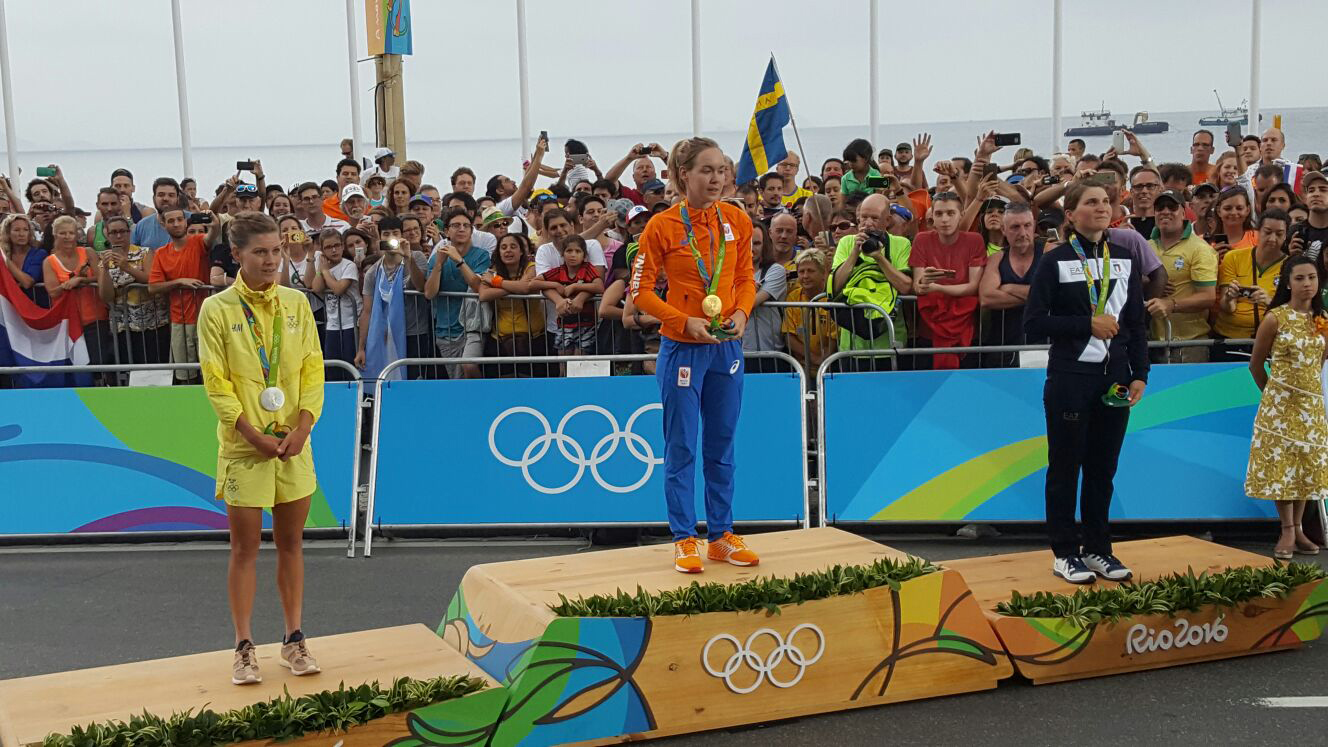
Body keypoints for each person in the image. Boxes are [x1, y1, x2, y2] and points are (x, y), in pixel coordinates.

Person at [197, 211, 324, 686]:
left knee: (292, 545)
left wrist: (304, 427)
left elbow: (313, 369)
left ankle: (294, 639)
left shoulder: (296, 303)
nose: (272, 260)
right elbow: (216, 381)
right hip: (245, 448)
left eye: (277, 250)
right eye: (260, 252)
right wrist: (252, 434)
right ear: (237, 256)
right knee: (245, 549)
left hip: (294, 444)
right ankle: (244, 647)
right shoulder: (218, 309)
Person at [629, 136, 758, 574]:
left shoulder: (736, 221)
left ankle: (721, 535)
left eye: (722, 170)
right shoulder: (661, 226)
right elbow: (640, 294)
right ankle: (684, 538)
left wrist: (742, 311)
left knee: (722, 445)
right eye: (707, 170)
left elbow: (744, 277)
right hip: (683, 348)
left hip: (726, 346)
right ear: (684, 175)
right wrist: (684, 322)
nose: (717, 178)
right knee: (681, 446)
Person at [1025, 182, 1149, 585]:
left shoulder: (1127, 258)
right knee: (1065, 467)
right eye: (1091, 202)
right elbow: (1034, 323)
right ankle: (1064, 551)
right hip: (1069, 379)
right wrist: (1086, 324)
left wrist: (1140, 373)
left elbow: (1136, 323)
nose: (1101, 207)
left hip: (1114, 380)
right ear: (1072, 214)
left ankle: (1098, 548)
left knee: (1103, 468)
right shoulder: (1055, 260)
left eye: (1105, 201)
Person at [1246, 255, 1328, 559]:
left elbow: (1320, 362)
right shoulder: (1275, 318)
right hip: (1279, 406)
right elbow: (1256, 365)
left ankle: (1300, 531)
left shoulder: (1322, 320)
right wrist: (1273, 397)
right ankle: (1287, 531)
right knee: (1282, 467)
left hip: (1311, 407)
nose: (1307, 284)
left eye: (1312, 278)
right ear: (1287, 283)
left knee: (1306, 465)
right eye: (1300, 278)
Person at [827, 193, 912, 365]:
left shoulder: (901, 244)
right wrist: (854, 253)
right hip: (851, 344)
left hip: (890, 342)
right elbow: (834, 287)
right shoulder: (846, 242)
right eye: (863, 217)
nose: (867, 223)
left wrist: (879, 257)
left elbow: (905, 286)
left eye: (874, 218)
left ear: (887, 221)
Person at [910, 192, 985, 369]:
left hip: (966, 328)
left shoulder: (975, 240)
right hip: (929, 329)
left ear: (962, 215)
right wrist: (924, 284)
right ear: (932, 217)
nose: (944, 219)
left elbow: (973, 287)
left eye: (951, 213)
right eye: (939, 214)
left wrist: (936, 287)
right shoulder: (921, 239)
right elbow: (918, 287)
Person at [148, 207, 221, 383]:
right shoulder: (161, 253)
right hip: (178, 319)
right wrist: (179, 282)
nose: (176, 224)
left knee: (210, 371)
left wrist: (215, 224)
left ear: (185, 221)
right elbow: (153, 287)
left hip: (203, 316)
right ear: (163, 224)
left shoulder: (197, 242)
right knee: (185, 375)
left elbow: (211, 235)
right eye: (171, 221)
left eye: (180, 219)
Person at [355, 215, 431, 380]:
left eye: (396, 233)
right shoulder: (373, 272)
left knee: (415, 381)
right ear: (379, 237)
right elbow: (366, 312)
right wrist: (361, 348)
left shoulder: (417, 257)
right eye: (386, 234)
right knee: (387, 382)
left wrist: (408, 258)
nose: (391, 238)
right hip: (384, 336)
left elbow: (420, 286)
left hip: (414, 333)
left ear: (402, 236)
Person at [1145, 190, 1217, 362]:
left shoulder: (1200, 249)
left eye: (1172, 207)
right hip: (1152, 342)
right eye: (1160, 207)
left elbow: (1208, 297)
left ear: (1184, 213)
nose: (1165, 211)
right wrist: (1149, 283)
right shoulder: (1145, 246)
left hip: (1189, 345)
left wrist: (1171, 304)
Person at [1214, 209, 1290, 360]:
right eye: (1267, 232)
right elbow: (1227, 307)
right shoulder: (1233, 257)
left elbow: (1294, 311)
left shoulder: (1290, 265)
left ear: (1286, 235)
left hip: (1271, 340)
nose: (1272, 239)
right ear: (1257, 232)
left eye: (1279, 234)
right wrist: (1229, 298)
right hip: (1229, 339)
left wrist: (1269, 302)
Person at [95, 215, 170, 366]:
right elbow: (106, 296)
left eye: (122, 231)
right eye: (113, 232)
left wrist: (127, 268)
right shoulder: (104, 259)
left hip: (152, 322)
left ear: (129, 233)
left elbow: (152, 281)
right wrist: (104, 269)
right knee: (128, 369)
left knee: (154, 367)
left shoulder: (145, 253)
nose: (118, 236)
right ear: (107, 235)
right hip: (123, 326)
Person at [424, 207, 489, 379]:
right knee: (457, 379)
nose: (461, 229)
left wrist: (459, 260)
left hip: (473, 326)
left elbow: (477, 285)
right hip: (446, 329)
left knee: (469, 366)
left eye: (466, 226)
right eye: (456, 225)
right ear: (446, 231)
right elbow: (429, 293)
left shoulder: (481, 255)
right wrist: (438, 264)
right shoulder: (437, 256)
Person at [43, 216, 114, 373]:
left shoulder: (88, 252)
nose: (68, 237)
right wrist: (70, 283)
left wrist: (81, 280)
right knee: (77, 366)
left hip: (95, 317)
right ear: (55, 235)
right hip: (68, 321)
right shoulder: (49, 261)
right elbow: (52, 291)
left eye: (71, 232)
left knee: (100, 362)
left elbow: (100, 275)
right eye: (63, 233)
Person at [979, 202, 1044, 367]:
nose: (1022, 233)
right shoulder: (997, 259)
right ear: (1003, 230)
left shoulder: (1049, 253)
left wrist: (1009, 288)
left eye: (1027, 225)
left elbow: (1058, 296)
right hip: (1002, 346)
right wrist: (1038, 297)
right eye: (1015, 227)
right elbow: (987, 298)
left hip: (1044, 344)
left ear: (1034, 226)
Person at [539, 234, 603, 357]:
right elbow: (534, 283)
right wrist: (555, 285)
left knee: (581, 360)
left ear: (584, 256)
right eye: (569, 251)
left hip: (586, 324)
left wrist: (575, 286)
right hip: (564, 324)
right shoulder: (559, 271)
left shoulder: (588, 269)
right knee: (563, 358)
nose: (573, 254)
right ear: (562, 254)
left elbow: (599, 286)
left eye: (578, 251)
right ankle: (562, 376)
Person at [308, 229, 359, 379]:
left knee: (349, 365)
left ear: (343, 246)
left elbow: (338, 289)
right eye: (329, 247)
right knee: (332, 365)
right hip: (333, 323)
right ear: (322, 250)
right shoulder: (324, 267)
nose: (334, 250)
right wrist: (321, 269)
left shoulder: (348, 265)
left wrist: (325, 272)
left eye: (337, 245)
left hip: (350, 322)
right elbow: (316, 288)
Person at [782, 248, 838, 370]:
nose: (805, 276)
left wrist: (824, 361)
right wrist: (813, 359)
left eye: (810, 271)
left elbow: (834, 337)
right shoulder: (793, 297)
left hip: (830, 367)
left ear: (824, 273)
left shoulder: (832, 297)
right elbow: (788, 336)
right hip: (801, 366)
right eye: (801, 272)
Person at [742, 222, 788, 368]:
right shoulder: (728, 272)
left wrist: (739, 290)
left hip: (769, 353)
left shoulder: (776, 271)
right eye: (747, 242)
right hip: (736, 351)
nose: (751, 248)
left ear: (764, 246)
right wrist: (749, 288)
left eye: (756, 243)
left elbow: (751, 303)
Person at [1, 213, 49, 306]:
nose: (21, 234)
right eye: (16, 230)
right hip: (10, 309)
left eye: (25, 230)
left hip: (36, 307)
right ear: (8, 233)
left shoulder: (39, 254)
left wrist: (5, 259)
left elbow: (27, 282)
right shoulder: (6, 255)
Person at [132, 177, 187, 249]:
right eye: (161, 195)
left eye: (171, 195)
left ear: (178, 198)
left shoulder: (192, 220)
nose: (166, 199)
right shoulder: (142, 226)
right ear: (154, 198)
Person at [1211, 186, 1258, 261]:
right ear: (1219, 211)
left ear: (1248, 210)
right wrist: (1211, 260)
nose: (1233, 212)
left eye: (1239, 208)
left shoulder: (1258, 238)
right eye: (1228, 208)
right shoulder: (1204, 243)